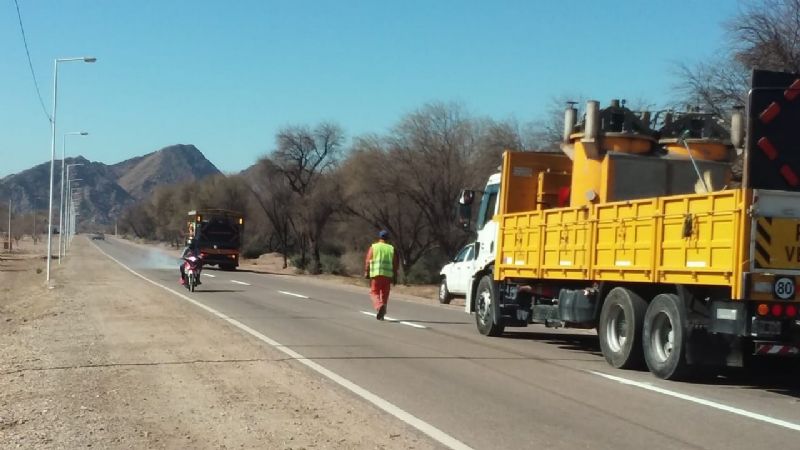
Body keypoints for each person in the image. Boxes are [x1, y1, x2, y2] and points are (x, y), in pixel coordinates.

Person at [364, 230, 399, 320]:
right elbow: (395, 264)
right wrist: (395, 276)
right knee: (385, 294)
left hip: (376, 275)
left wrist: (366, 272)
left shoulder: (374, 247)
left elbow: (368, 261)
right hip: (387, 275)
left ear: (379, 238)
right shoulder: (391, 249)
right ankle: (382, 313)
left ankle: (379, 306)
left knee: (374, 293)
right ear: (388, 238)